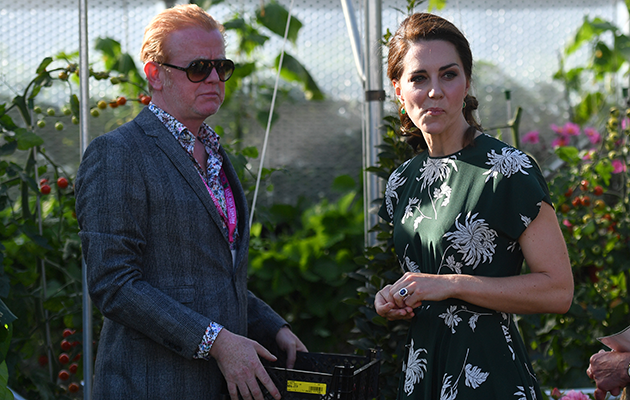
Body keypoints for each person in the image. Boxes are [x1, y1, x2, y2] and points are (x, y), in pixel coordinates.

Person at [75, 4, 307, 400]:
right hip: (150, 386)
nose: (214, 78)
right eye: (199, 67)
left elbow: (212, 275)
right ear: (155, 74)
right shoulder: (118, 154)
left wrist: (273, 327)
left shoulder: (215, 153)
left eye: (222, 66)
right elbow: (114, 284)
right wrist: (217, 342)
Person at [374, 13, 574, 399]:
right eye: (419, 78)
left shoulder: (507, 169)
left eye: (448, 75)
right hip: (423, 372)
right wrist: (394, 298)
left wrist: (450, 285)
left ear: (466, 84)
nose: (435, 91)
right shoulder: (401, 181)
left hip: (488, 377)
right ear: (399, 90)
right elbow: (425, 280)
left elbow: (558, 291)